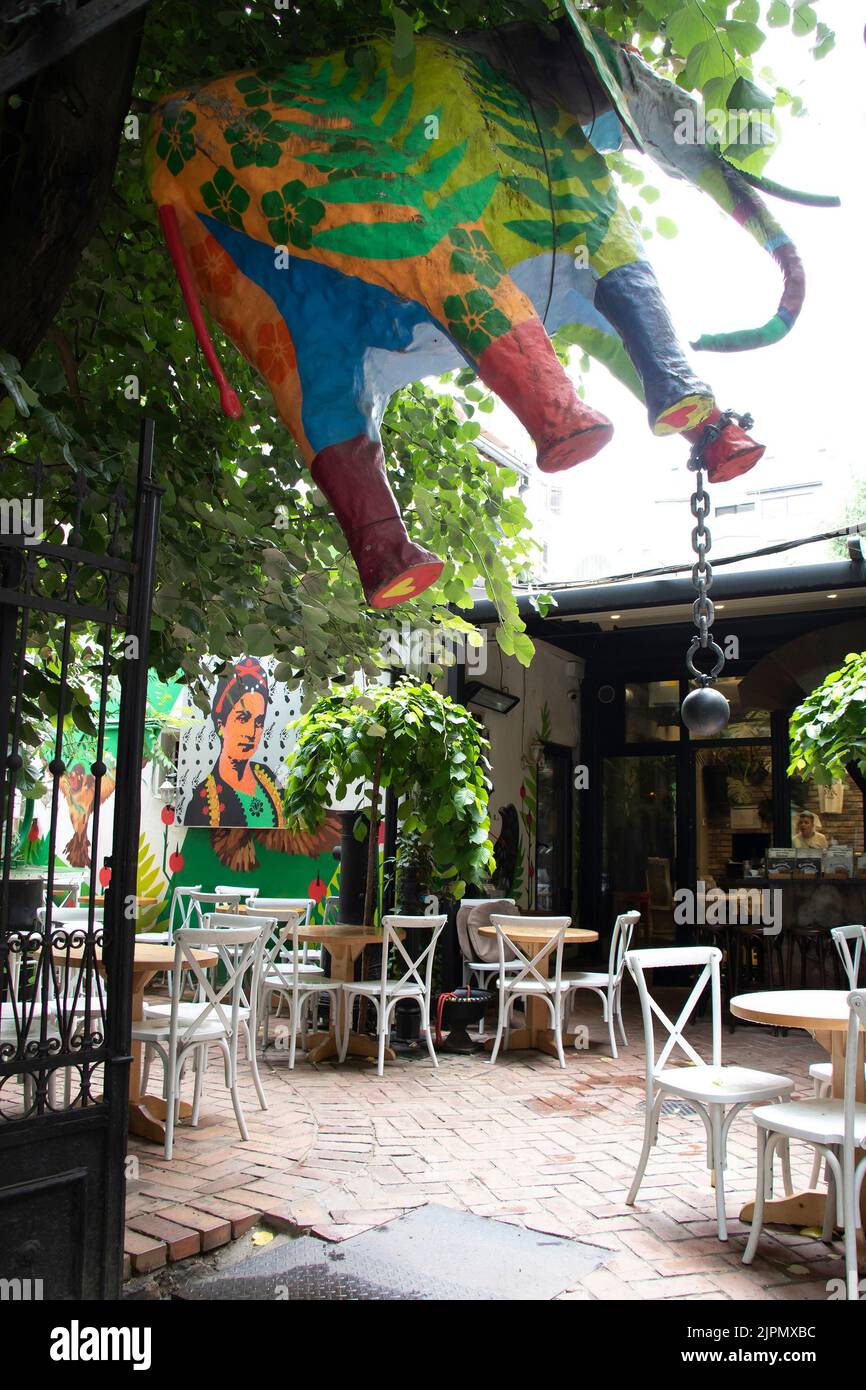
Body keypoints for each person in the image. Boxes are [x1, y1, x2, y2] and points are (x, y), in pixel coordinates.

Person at [184, 656, 286, 828]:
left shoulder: (267, 777)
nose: (252, 732)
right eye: (243, 718)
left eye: (259, 721)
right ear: (220, 724)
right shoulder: (204, 801)